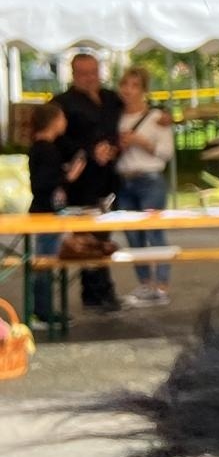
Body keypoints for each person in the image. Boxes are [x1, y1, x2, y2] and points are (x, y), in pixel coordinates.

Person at [53, 53, 123, 309]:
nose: (89, 78)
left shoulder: (110, 98)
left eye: (93, 72)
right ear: (73, 74)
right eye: (83, 73)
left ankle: (101, 290)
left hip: (109, 178)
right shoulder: (62, 102)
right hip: (81, 181)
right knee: (85, 239)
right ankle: (96, 292)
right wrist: (90, 151)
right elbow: (58, 139)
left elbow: (124, 123)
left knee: (104, 235)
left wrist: (113, 148)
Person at [116, 67, 176, 307]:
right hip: (124, 179)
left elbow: (165, 153)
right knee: (132, 234)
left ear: (144, 90)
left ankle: (161, 285)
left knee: (154, 232)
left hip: (150, 179)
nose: (128, 90)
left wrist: (140, 141)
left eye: (134, 85)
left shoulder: (156, 118)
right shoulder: (117, 117)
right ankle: (144, 283)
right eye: (125, 84)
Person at [27, 102, 85, 325]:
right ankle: (41, 311)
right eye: (62, 118)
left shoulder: (45, 148)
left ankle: (44, 309)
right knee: (46, 262)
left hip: (50, 211)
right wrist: (68, 177)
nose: (66, 122)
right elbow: (42, 183)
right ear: (53, 121)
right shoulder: (46, 149)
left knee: (49, 260)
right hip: (46, 213)